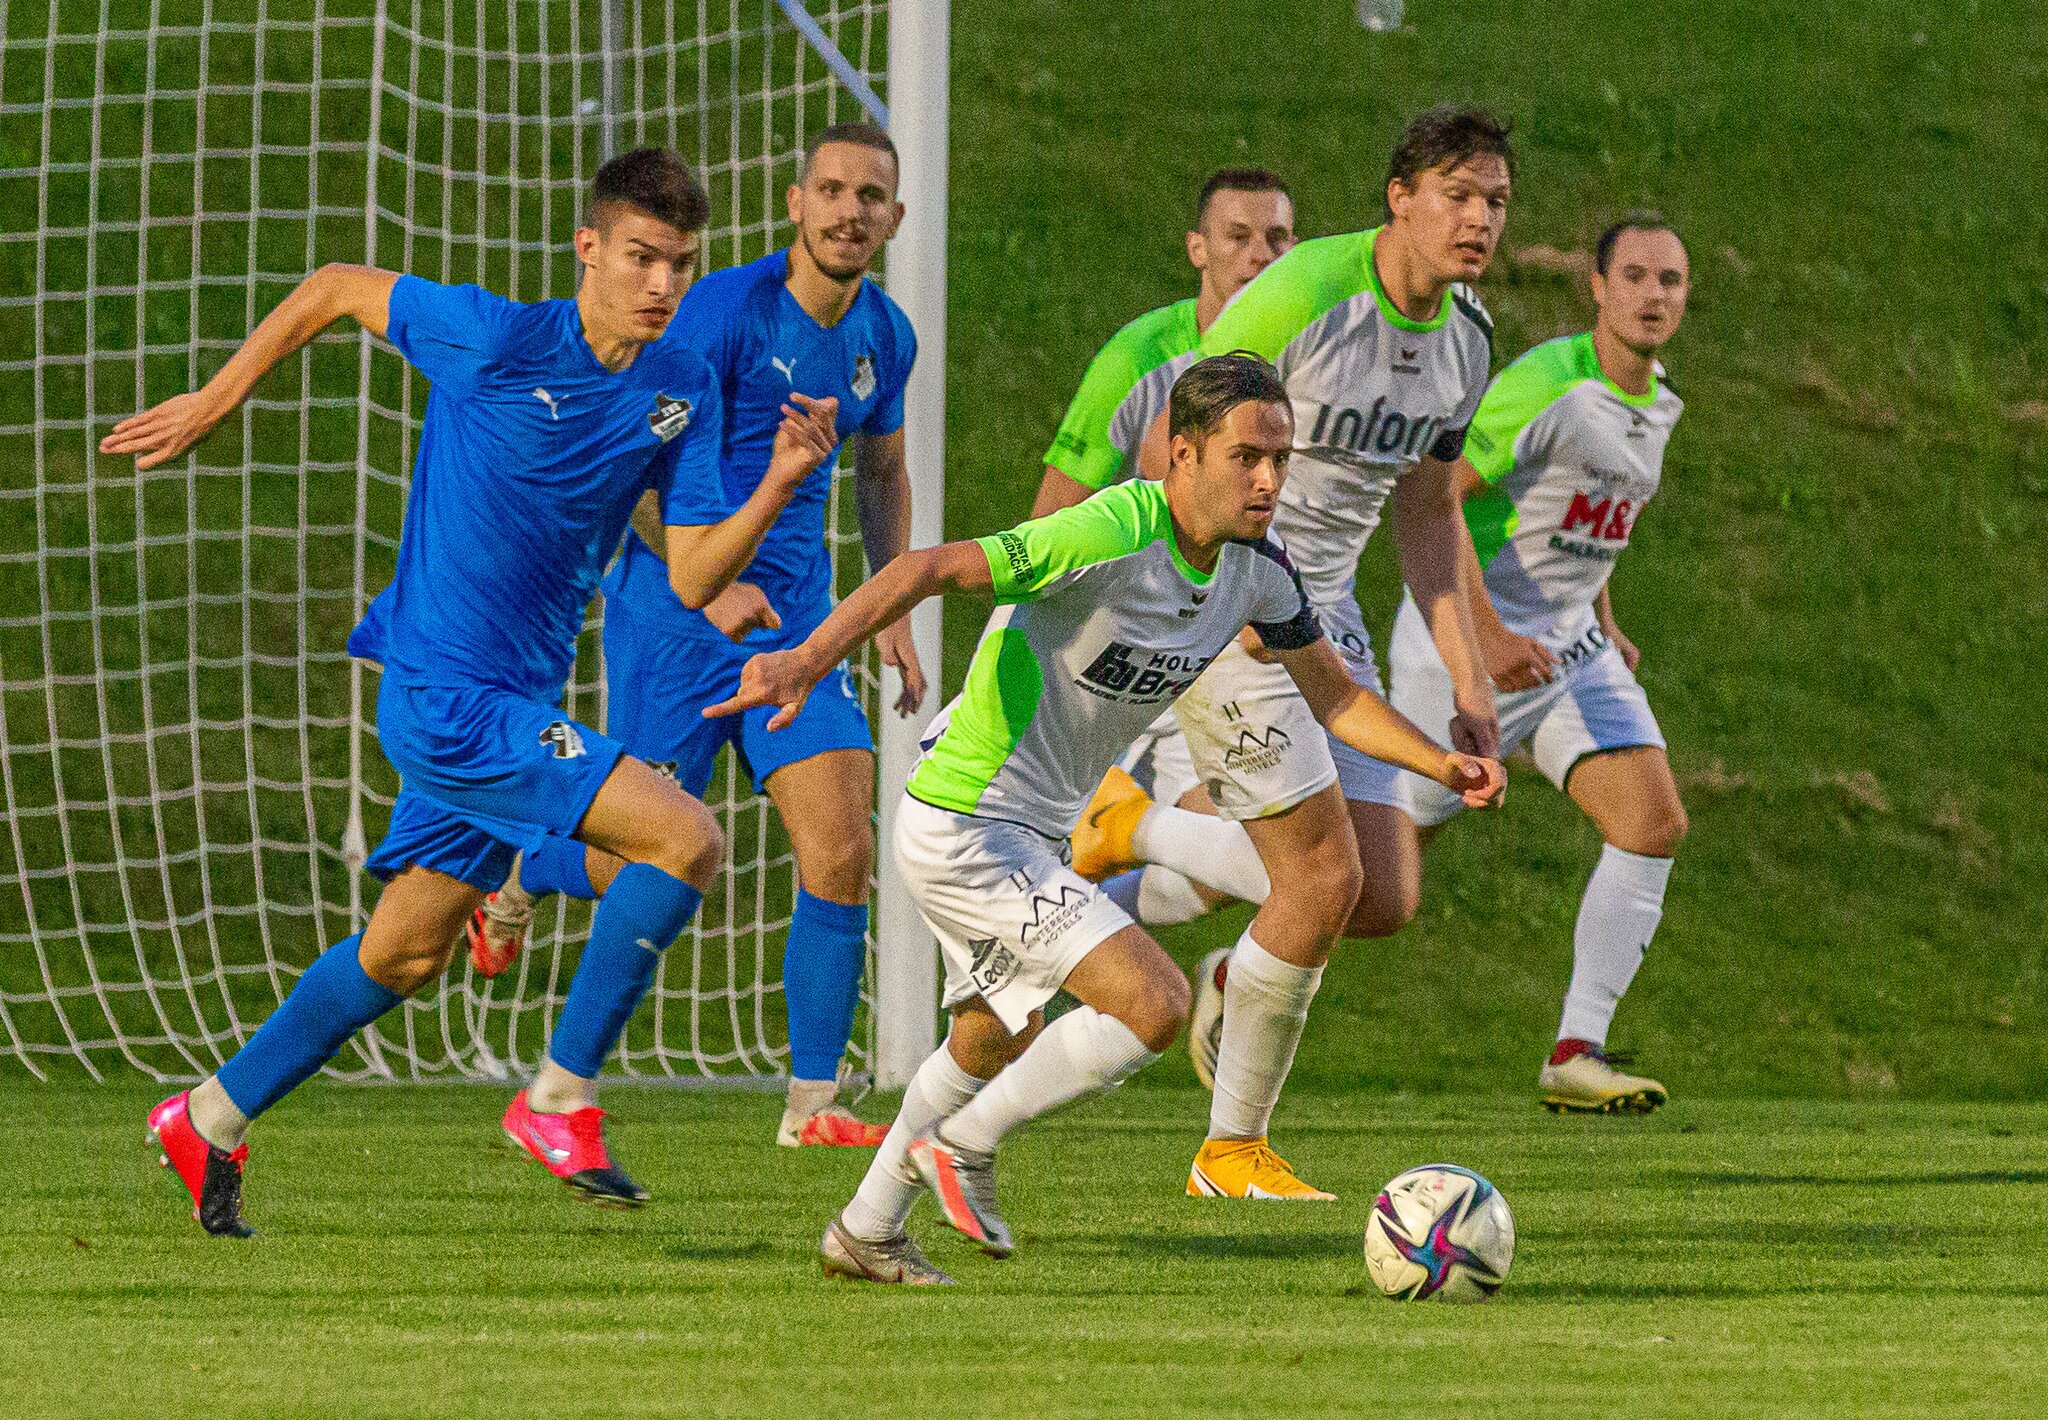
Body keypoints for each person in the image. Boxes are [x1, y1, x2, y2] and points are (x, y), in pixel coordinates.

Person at [101, 148, 842, 1235]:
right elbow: (334, 287)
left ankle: (208, 1113)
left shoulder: (679, 387)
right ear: (587, 248)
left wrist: (773, 484)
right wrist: (214, 399)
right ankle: (561, 1094)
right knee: (685, 836)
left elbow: (687, 568)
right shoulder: (495, 337)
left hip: (513, 699)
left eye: (679, 265)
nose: (660, 285)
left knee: (402, 951)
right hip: (447, 695)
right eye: (639, 258)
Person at [706, 354, 1503, 1282]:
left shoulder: (1257, 574)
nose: (1269, 481)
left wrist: (1439, 760)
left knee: (988, 1036)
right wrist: (805, 660)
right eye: (1247, 457)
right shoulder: (1110, 529)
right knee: (1156, 1003)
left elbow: (1334, 700)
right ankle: (963, 1145)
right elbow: (930, 567)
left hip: (1029, 834)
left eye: (1281, 461)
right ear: (1182, 455)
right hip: (966, 821)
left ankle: (866, 1227)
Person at [467, 122, 923, 1148]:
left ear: (893, 218)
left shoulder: (883, 336)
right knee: (648, 853)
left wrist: (886, 609)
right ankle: (530, 865)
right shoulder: (716, 313)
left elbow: (880, 471)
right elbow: (626, 458)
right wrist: (704, 590)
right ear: (795, 204)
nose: (851, 210)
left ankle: (813, 1104)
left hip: (795, 623)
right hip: (676, 619)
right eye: (833, 190)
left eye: (872, 196)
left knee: (841, 843)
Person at [1118, 106, 1514, 1105]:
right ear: (1399, 198)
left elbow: (1425, 513)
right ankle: (1232, 1142)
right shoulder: (1302, 291)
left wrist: (1468, 676)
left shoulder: (1467, 341)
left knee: (1377, 894)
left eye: (1495, 202)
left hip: (1322, 605)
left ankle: (1143, 848)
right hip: (1230, 593)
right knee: (1306, 870)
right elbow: (1167, 438)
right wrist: (1205, 576)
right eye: (1457, 195)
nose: (1478, 219)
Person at [1389, 214, 1690, 1114]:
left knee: (1653, 820)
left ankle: (1575, 1050)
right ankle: (1152, 863)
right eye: (1633, 275)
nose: (1652, 295)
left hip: (1571, 649)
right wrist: (1487, 635)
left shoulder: (1659, 401)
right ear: (1596, 288)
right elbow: (1438, 498)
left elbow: (1584, 523)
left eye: (1670, 281)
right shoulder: (1550, 385)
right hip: (1461, 643)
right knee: (1374, 880)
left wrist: (1607, 617)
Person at [1028, 168, 1309, 933]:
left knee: (1245, 865)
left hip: (1208, 648)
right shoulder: (1141, 356)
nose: (1260, 256)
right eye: (1239, 237)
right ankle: (1058, 961)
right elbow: (1055, 513)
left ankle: (1093, 940)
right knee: (1026, 870)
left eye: (1278, 238)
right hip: (1110, 644)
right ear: (1198, 249)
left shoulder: (1299, 364)